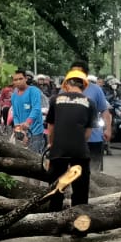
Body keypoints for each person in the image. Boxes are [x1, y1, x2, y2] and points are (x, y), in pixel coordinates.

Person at [44, 69, 95, 210]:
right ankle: (79, 223)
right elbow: (88, 132)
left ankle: (54, 223)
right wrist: (77, 141)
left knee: (56, 188)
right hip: (80, 150)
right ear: (84, 86)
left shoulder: (55, 100)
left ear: (66, 84)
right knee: (81, 189)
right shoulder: (90, 102)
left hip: (59, 148)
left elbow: (51, 127)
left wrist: (51, 144)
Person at [71, 60, 112, 172]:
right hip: (71, 139)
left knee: (94, 173)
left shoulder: (96, 89)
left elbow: (104, 110)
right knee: (73, 173)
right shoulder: (64, 89)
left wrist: (108, 129)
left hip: (94, 138)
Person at [8, 69, 45, 154]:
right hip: (22, 132)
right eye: (15, 80)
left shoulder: (34, 91)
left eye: (20, 79)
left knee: (34, 157)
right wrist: (18, 128)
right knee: (21, 156)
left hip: (35, 131)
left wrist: (28, 122)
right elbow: (15, 114)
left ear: (26, 79)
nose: (18, 81)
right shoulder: (14, 96)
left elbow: (36, 109)